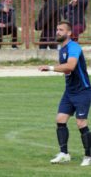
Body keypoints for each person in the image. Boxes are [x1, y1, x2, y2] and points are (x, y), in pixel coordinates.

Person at [38, 20, 91, 166]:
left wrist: (49, 68)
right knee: (60, 119)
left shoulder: (74, 47)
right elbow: (67, 70)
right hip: (70, 91)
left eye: (61, 30)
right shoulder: (62, 49)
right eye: (57, 29)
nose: (57, 32)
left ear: (69, 33)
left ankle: (88, 156)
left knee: (81, 123)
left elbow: (71, 66)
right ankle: (64, 154)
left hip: (82, 91)